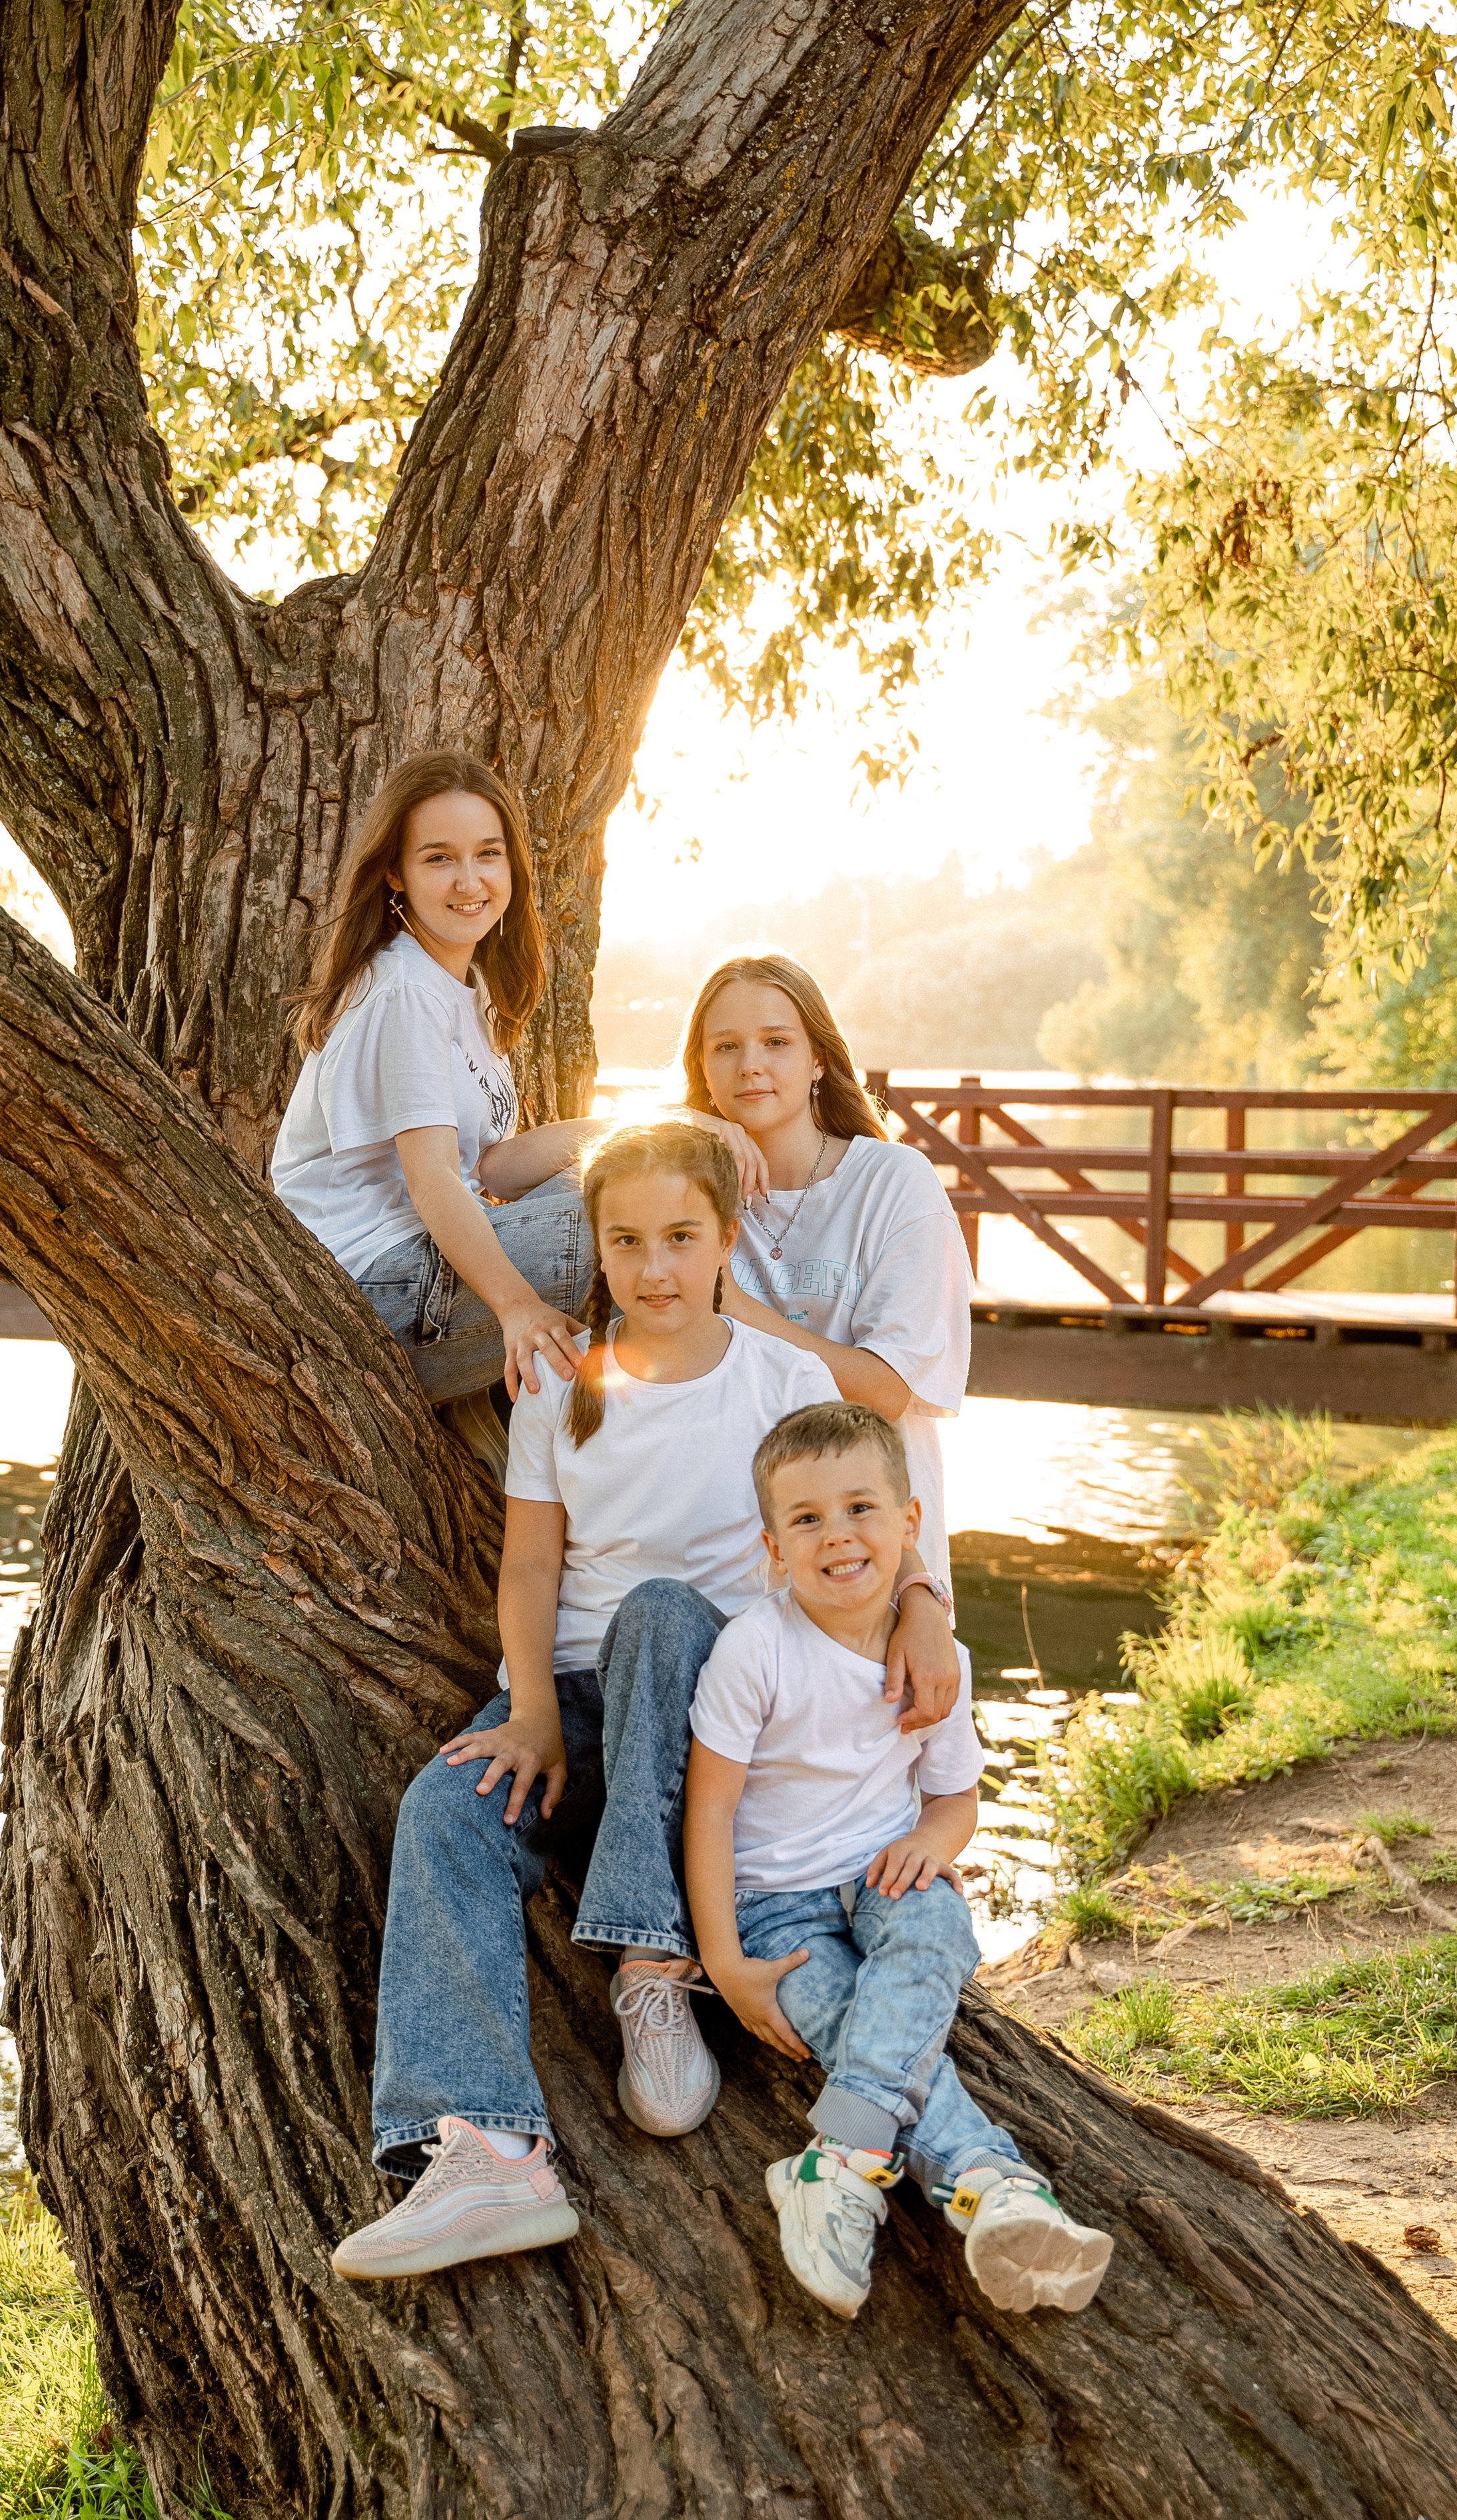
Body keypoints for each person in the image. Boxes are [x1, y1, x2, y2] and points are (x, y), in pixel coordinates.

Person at [332, 1121, 839, 2281]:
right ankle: (485, 2149)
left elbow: (844, 1529)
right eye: (627, 1241)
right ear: (596, 1251)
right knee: (444, 1811)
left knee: (661, 1615)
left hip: (719, 1714)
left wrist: (914, 1616)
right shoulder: (564, 1387)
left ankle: (654, 1973)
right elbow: (531, 1569)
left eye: (680, 1237)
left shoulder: (784, 1379)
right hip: (576, 1704)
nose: (655, 1267)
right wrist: (531, 1715)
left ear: (724, 1239)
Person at [685, 1400, 1113, 2321]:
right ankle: (995, 2186)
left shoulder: (936, 1657)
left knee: (936, 1927)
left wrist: (931, 1842)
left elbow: (956, 1797)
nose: (838, 1536)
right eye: (807, 1519)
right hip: (777, 1905)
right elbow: (710, 1808)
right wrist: (725, 1959)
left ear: (909, 1522)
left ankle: (837, 2160)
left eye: (861, 1508)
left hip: (883, 1869)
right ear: (773, 1545)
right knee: (852, 2018)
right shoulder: (753, 1650)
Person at [272, 750, 603, 1440]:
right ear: (395, 872)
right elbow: (432, 1184)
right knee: (641, 1212)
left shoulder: (457, 988)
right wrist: (516, 1308)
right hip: (369, 1294)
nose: (469, 880)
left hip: (411, 1268)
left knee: (643, 1175)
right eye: (438, 859)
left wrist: (637, 1133)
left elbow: (483, 1170)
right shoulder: (404, 992)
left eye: (487, 854)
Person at [682, 953, 970, 1728]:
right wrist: (683, 1129)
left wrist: (734, 1306)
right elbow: (506, 1165)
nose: (751, 1066)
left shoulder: (894, 1183)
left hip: (868, 1554)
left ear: (817, 1059)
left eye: (777, 1041)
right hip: (741, 1557)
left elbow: (884, 1388)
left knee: (877, 1797)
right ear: (701, 1069)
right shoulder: (684, 1188)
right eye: (726, 1047)